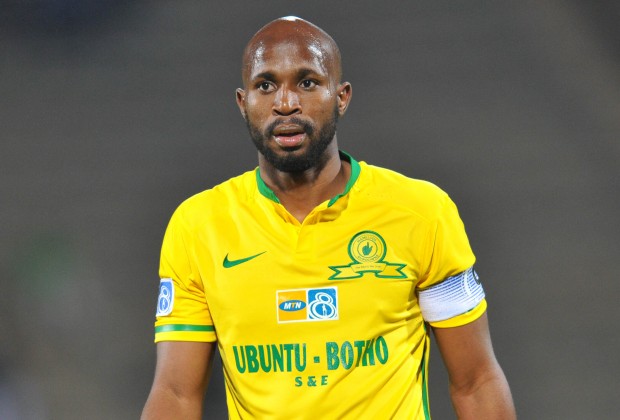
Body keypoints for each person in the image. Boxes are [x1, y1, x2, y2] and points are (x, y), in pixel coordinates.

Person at [142, 16, 516, 420]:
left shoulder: (422, 212)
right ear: (242, 102)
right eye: (265, 85)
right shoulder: (198, 226)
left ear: (341, 97)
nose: (286, 104)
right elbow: (175, 394)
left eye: (307, 82)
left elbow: (476, 381)